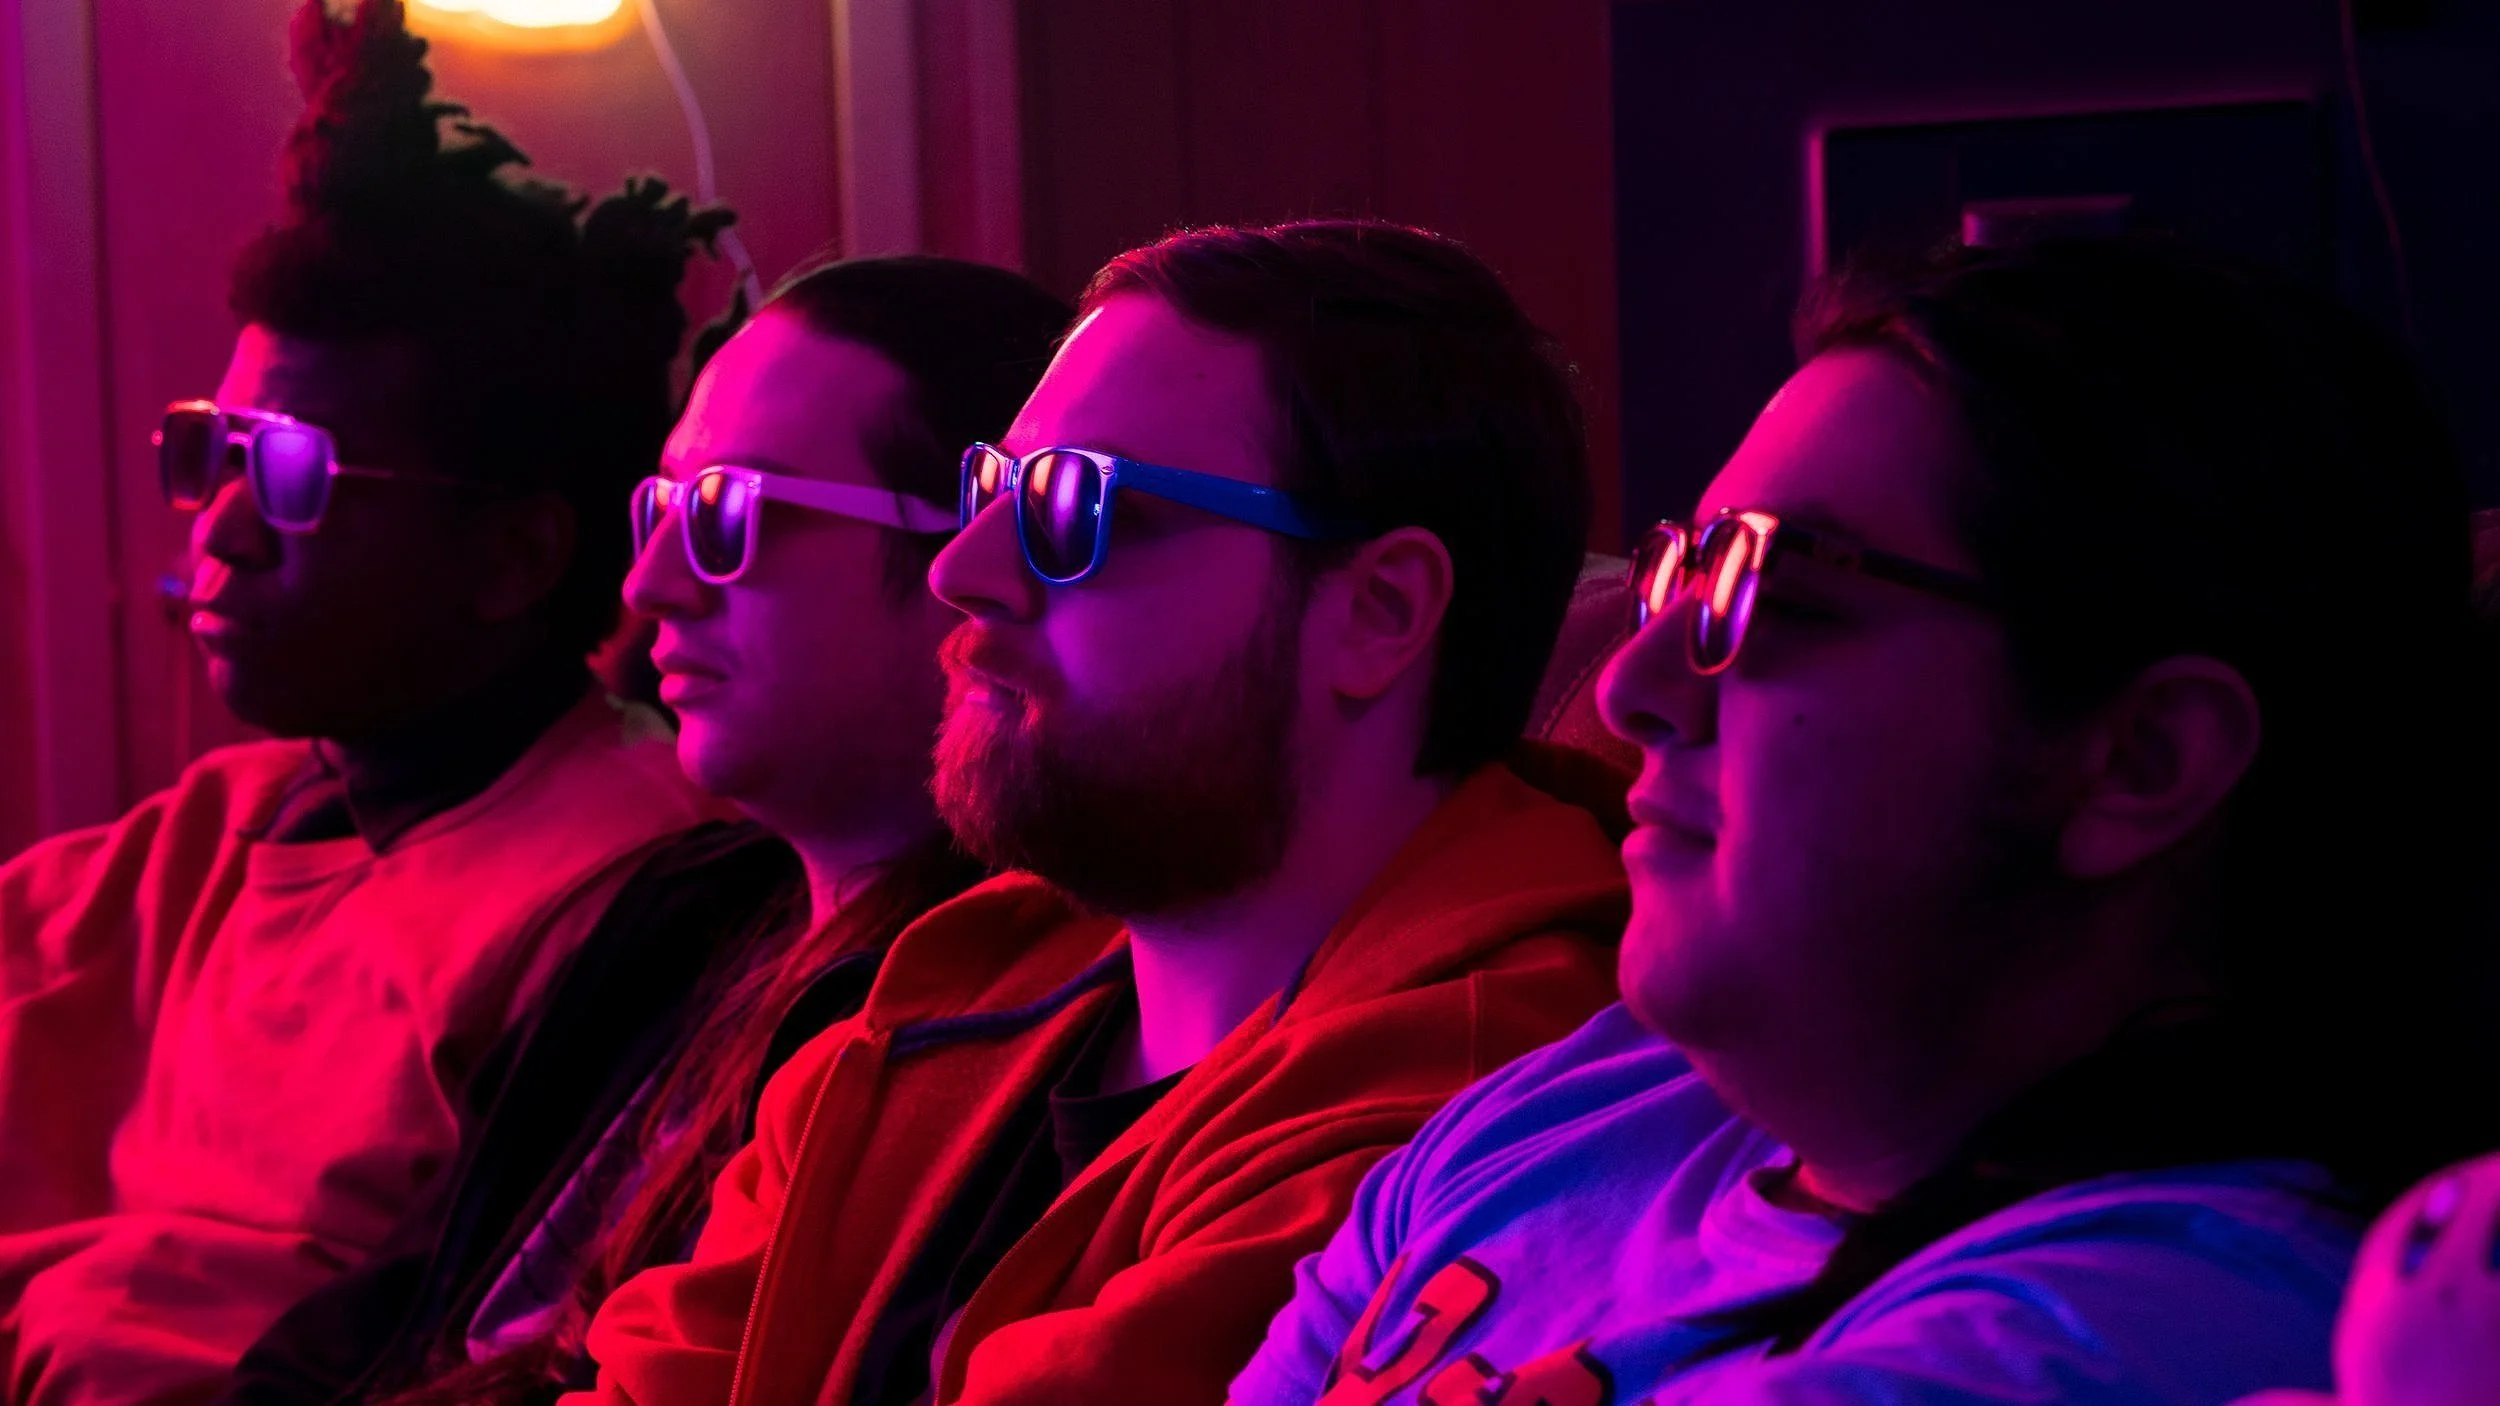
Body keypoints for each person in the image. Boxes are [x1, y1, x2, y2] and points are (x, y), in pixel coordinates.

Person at [1232, 237, 2497, 1404]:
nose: (1630, 688)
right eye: (1688, 574)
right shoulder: (1574, 1105)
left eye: (1771, 590)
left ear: (2139, 760)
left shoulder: (2118, 1331)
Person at [566, 219, 1631, 1406]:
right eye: (991, 487)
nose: (960, 569)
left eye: (1073, 505)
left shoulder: (1476, 1099)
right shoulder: (946, 987)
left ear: (1377, 612)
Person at [0, 1, 735, 1399]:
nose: (219, 530)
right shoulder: (227, 822)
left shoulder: (628, 887)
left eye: (290, 475)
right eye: (212, 451)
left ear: (512, 556)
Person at [213, 256, 1075, 1406]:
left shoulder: (992, 1018)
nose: (653, 582)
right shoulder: (683, 905)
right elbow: (396, 1312)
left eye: (727, 515)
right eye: (662, 508)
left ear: (968, 562)